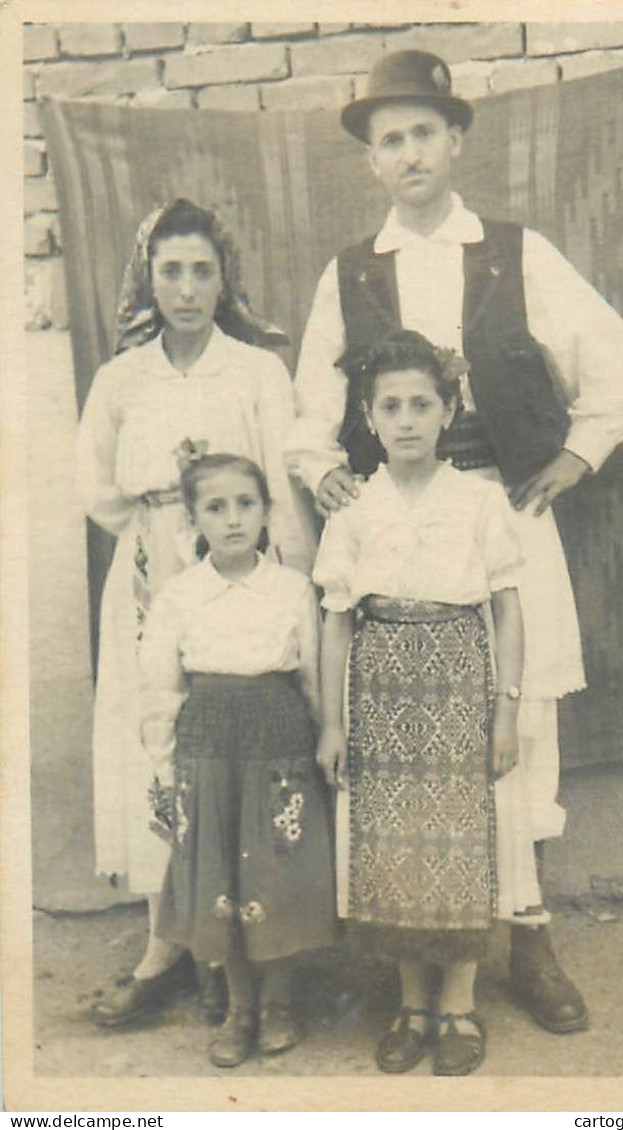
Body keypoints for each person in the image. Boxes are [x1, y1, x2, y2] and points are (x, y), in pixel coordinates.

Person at [285, 49, 623, 1035]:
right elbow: (307, 416)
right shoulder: (351, 272)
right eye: (387, 138)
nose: (407, 152)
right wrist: (323, 468)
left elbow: (620, 368)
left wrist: (573, 457)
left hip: (502, 511)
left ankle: (526, 936)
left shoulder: (516, 254)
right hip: (399, 529)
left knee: (518, 725)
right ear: (371, 159)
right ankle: (411, 939)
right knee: (409, 744)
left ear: (456, 140)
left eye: (421, 132)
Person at [76, 199, 314, 1027]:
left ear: (224, 279)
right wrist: (157, 542)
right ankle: (164, 943)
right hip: (147, 578)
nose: (185, 288)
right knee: (155, 746)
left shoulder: (256, 372)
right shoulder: (121, 377)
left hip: (240, 579)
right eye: (170, 270)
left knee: (233, 756)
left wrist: (274, 588)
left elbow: (281, 498)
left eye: (201, 271)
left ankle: (249, 945)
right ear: (149, 277)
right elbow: (96, 488)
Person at [314, 330, 544, 1075]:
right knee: (394, 849)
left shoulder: (477, 503)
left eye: (422, 404)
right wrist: (331, 722)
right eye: (391, 406)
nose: (406, 419)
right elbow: (335, 619)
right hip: (379, 690)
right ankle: (411, 1005)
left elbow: (506, 609)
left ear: (449, 411)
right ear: (368, 415)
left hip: (458, 685)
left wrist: (505, 710)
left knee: (460, 844)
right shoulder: (353, 510)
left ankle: (459, 1006)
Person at [139, 452, 335, 1068]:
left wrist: (326, 735)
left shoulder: (293, 589)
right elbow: (162, 689)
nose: (232, 520)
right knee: (220, 873)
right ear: (193, 519)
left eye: (245, 504)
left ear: (266, 512)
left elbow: (311, 676)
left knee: (274, 870)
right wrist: (166, 768)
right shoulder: (178, 596)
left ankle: (278, 1002)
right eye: (215, 507)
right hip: (208, 744)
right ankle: (238, 1006)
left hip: (278, 740)